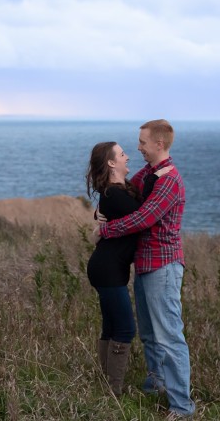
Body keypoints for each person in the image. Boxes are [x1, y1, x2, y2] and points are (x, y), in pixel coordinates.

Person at [93, 119, 196, 418]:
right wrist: (100, 210)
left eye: (142, 142)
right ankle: (156, 385)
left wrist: (106, 230)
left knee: (169, 336)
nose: (138, 147)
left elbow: (144, 218)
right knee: (150, 334)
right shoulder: (149, 174)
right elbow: (119, 192)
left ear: (159, 144)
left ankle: (181, 407)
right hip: (146, 263)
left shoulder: (169, 179)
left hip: (163, 265)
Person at [85, 142, 172, 396]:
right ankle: (113, 390)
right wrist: (160, 177)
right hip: (107, 269)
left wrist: (156, 172)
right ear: (111, 163)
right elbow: (143, 216)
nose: (127, 156)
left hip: (109, 267)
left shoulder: (119, 190)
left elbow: (136, 193)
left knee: (112, 327)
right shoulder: (114, 194)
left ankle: (106, 385)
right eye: (122, 154)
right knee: (125, 329)